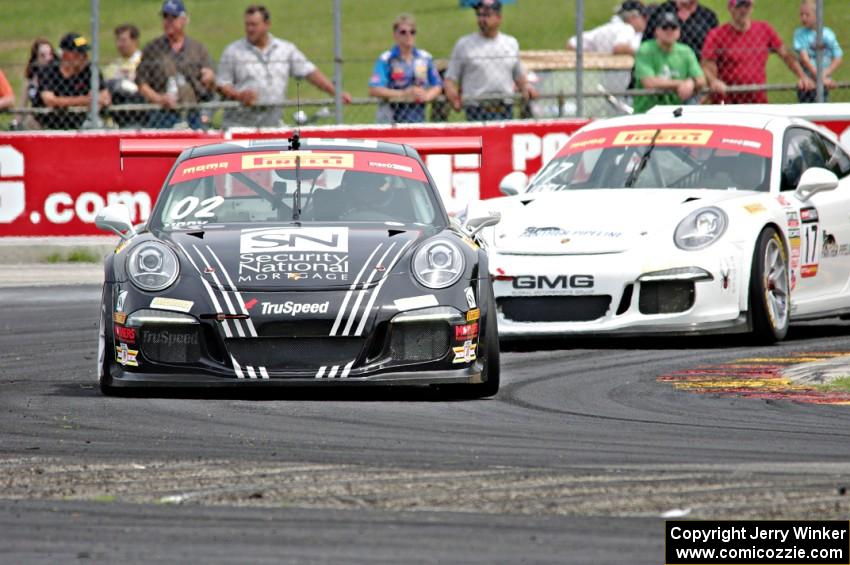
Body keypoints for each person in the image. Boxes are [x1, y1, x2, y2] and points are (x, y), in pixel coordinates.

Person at [217, 4, 351, 128]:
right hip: (240, 126)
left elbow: (309, 72)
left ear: (267, 24)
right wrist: (239, 95)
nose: (249, 29)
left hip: (272, 126)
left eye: (254, 25)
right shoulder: (233, 52)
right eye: (247, 24)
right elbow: (221, 85)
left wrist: (335, 93)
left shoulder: (285, 50)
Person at [701, 0, 814, 104]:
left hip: (757, 101)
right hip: (727, 101)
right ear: (730, 8)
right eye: (739, 6)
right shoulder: (717, 35)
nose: (743, 10)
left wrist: (802, 76)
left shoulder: (764, 29)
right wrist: (713, 81)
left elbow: (785, 54)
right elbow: (706, 64)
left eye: (747, 6)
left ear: (752, 7)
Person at [444, 0, 537, 121]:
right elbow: (450, 79)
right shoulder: (464, 45)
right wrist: (453, 97)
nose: (482, 19)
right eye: (479, 15)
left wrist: (526, 87)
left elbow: (519, 76)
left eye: (487, 15)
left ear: (498, 18)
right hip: (476, 109)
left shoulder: (510, 43)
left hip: (505, 108)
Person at [136, 0, 215, 129]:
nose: (168, 22)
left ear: (184, 20)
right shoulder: (153, 48)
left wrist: (210, 78)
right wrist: (159, 99)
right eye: (165, 17)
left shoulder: (198, 49)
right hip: (162, 114)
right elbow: (141, 83)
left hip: (192, 112)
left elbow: (211, 82)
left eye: (173, 17)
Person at [368, 13, 442, 123]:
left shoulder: (425, 57)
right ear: (395, 35)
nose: (408, 35)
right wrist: (403, 94)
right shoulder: (386, 59)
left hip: (418, 121)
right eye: (403, 32)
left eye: (412, 32)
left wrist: (426, 96)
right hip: (391, 121)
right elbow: (374, 89)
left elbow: (437, 85)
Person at [35, 33, 110, 130]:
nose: (84, 57)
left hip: (80, 123)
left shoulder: (90, 70)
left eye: (85, 53)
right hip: (47, 123)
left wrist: (63, 102)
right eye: (79, 54)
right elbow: (49, 100)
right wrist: (85, 100)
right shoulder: (49, 70)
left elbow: (104, 96)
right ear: (66, 54)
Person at [633, 12, 705, 113]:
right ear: (656, 31)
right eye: (665, 27)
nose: (669, 31)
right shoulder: (646, 49)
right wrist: (681, 83)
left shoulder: (685, 51)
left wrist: (691, 82)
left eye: (673, 27)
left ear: (679, 31)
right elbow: (649, 82)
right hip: (647, 112)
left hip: (676, 112)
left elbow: (701, 79)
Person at [794, 0, 843, 103]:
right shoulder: (799, 34)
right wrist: (819, 77)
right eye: (801, 14)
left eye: (807, 15)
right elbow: (804, 59)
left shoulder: (828, 34)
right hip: (808, 82)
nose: (803, 18)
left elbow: (838, 57)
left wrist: (824, 75)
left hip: (824, 80)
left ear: (817, 15)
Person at [642, 0, 718, 60]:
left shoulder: (708, 17)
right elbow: (646, 43)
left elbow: (713, 51)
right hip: (663, 63)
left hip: (697, 65)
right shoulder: (662, 10)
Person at [567, 1, 648, 56]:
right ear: (632, 17)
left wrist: (596, 57)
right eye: (644, 16)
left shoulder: (607, 28)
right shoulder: (627, 29)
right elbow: (618, 47)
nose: (646, 20)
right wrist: (641, 55)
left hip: (606, 76)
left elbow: (572, 43)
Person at [104, 24, 145, 127]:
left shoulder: (144, 62)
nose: (119, 44)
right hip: (113, 116)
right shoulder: (112, 66)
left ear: (135, 41)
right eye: (118, 40)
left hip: (137, 114)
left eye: (123, 40)